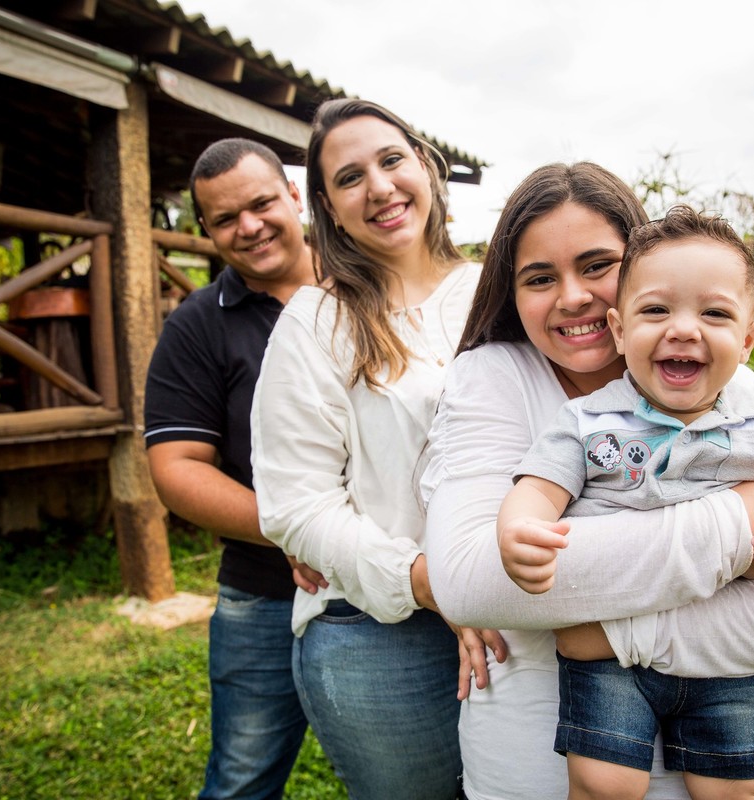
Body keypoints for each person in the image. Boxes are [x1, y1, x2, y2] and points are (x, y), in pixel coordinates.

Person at [421, 162, 754, 800]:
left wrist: (602, 630)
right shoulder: (501, 381)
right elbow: (472, 583)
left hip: (728, 740)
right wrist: (740, 521)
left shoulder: (745, 394)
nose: (573, 296)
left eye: (597, 265)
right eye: (540, 277)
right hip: (539, 768)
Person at [249, 98, 486, 800]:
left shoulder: (497, 289)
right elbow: (295, 505)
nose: (379, 187)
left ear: (427, 167)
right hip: (381, 635)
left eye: (391, 161)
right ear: (327, 206)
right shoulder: (314, 322)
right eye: (350, 178)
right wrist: (428, 581)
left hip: (519, 612)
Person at [143, 138, 318, 800]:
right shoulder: (195, 326)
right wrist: (295, 530)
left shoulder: (370, 286)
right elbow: (176, 467)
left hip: (404, 582)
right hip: (266, 589)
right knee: (242, 782)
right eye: (224, 219)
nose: (248, 227)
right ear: (206, 229)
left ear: (294, 196)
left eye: (262, 203)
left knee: (416, 778)